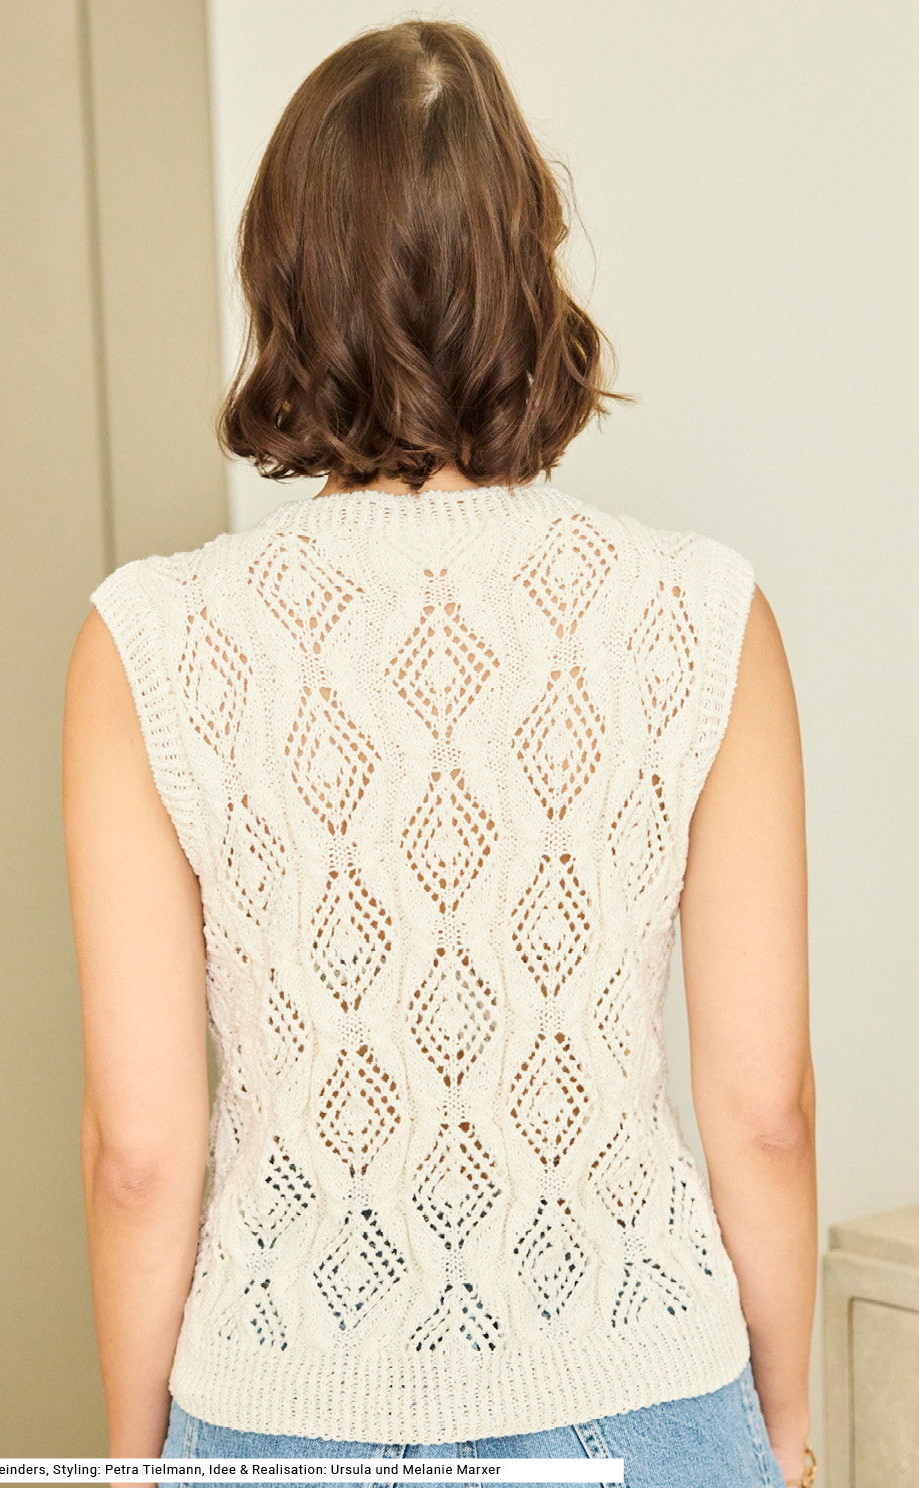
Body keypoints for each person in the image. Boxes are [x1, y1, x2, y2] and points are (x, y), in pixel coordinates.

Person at [62, 18, 816, 1488]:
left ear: (279, 275)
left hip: (278, 1395)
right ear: (530, 265)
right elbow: (765, 1111)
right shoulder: (702, 615)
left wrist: (134, 1461)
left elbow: (139, 1152)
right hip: (643, 1388)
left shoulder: (151, 639)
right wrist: (780, 1429)